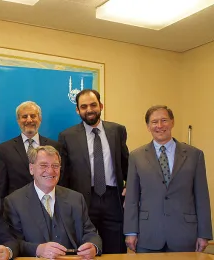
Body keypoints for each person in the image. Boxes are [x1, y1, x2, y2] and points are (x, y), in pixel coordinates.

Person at [124, 105, 212, 253]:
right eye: (154, 122)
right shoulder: (136, 156)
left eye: (164, 120)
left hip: (184, 235)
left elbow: (202, 197)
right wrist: (130, 232)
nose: (159, 126)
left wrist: (204, 234)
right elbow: (132, 198)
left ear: (172, 122)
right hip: (148, 235)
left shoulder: (194, 155)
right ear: (148, 126)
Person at [58, 89, 129, 253]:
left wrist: (130, 186)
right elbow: (64, 175)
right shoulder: (67, 136)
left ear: (101, 106)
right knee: (85, 249)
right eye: (83, 106)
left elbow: (126, 163)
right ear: (77, 110)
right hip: (82, 200)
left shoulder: (117, 131)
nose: (89, 110)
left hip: (113, 199)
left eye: (93, 105)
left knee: (115, 249)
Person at [4, 146, 101, 260]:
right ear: (31, 169)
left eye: (55, 166)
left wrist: (93, 246)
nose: (50, 171)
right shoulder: (14, 202)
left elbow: (90, 233)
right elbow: (13, 242)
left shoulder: (76, 198)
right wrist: (38, 249)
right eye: (43, 165)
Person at [0, 101, 61, 198]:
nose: (29, 120)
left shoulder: (55, 146)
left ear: (40, 119)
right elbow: (1, 186)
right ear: (18, 120)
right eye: (24, 116)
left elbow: (60, 182)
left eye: (33, 116)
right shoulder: (4, 149)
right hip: (16, 207)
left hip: (48, 203)